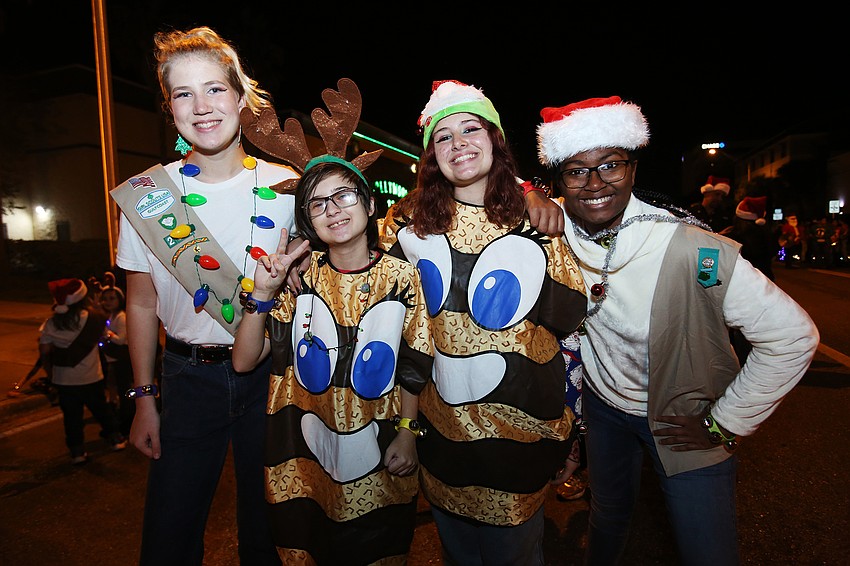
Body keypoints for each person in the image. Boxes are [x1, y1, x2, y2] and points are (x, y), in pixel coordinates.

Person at [535, 95, 820, 565]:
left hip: (681, 419)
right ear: (559, 180)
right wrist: (529, 191)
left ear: (633, 168)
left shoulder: (693, 250)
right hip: (606, 412)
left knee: (706, 548)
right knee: (607, 516)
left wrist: (726, 422)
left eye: (610, 165)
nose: (594, 184)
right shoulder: (556, 231)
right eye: (576, 171)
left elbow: (793, 336)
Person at [380, 80, 588, 566]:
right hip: (442, 423)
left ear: (494, 138)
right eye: (444, 136)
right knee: (458, 552)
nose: (459, 144)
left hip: (518, 428)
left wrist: (531, 197)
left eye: (470, 128)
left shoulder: (535, 219)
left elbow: (568, 314)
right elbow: (381, 299)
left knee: (513, 554)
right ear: (432, 155)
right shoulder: (407, 222)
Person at [112, 26, 298, 565]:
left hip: (270, 374)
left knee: (268, 532)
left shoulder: (288, 186)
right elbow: (141, 304)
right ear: (169, 108)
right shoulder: (147, 197)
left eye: (215, 89)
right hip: (186, 377)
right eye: (183, 93)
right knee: (169, 534)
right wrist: (144, 399)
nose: (202, 106)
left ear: (242, 99)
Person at [233, 78, 435, 564]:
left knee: (377, 547)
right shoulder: (299, 282)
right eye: (317, 204)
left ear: (369, 205)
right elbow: (243, 361)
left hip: (382, 443)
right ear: (309, 221)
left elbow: (414, 360)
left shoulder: (401, 277)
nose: (332, 210)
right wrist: (262, 294)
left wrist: (408, 430)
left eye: (343, 197)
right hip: (306, 449)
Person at [37, 278, 127, 464]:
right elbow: (104, 335)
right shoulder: (94, 317)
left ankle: (77, 452)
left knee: (71, 418)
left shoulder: (50, 324)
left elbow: (45, 352)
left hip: (63, 379)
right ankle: (115, 439)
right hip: (91, 376)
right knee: (101, 410)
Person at [99, 285, 135, 437]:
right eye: (105, 299)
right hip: (114, 359)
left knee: (124, 390)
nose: (108, 302)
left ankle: (127, 422)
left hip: (122, 360)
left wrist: (107, 334)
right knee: (117, 390)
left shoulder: (121, 317)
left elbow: (121, 340)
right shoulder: (111, 315)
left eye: (112, 298)